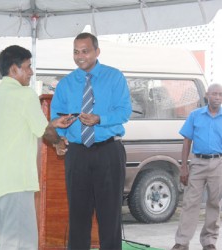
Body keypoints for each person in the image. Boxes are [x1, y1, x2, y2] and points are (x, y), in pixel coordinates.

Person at [0, 45, 75, 250]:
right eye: (27, 67)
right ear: (14, 69)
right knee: (20, 245)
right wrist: (59, 142)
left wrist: (51, 125)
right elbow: (44, 132)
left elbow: (19, 127)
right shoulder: (25, 95)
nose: (31, 72)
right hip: (16, 182)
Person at [50, 32, 132, 250]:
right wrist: (61, 128)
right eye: (76, 52)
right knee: (78, 215)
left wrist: (100, 119)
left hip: (108, 151)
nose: (80, 56)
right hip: (77, 154)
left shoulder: (114, 77)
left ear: (97, 51)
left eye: (85, 51)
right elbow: (53, 117)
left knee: (110, 214)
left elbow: (125, 111)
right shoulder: (66, 83)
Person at [171, 83, 222, 250]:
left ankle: (209, 242)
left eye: (220, 94)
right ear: (207, 95)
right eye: (214, 94)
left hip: (218, 164)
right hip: (198, 163)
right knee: (190, 203)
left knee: (214, 203)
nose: (217, 97)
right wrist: (183, 167)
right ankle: (182, 242)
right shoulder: (195, 115)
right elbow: (187, 143)